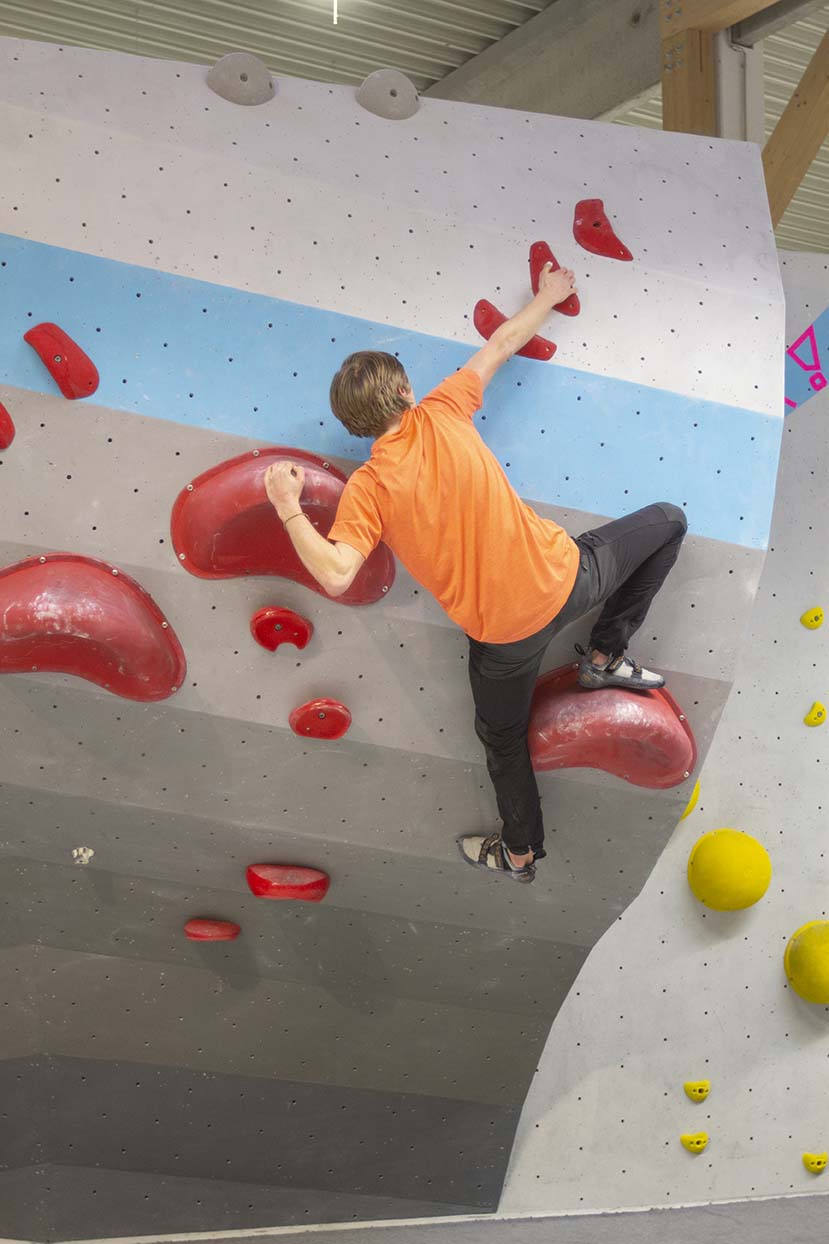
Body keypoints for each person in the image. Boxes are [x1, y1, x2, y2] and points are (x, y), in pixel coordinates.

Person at [264, 263, 688, 885]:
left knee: (503, 743)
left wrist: (286, 507)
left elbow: (334, 573)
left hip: (507, 640)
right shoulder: (442, 409)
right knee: (669, 521)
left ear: (355, 427)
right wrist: (548, 294)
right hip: (569, 579)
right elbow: (502, 344)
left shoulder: (369, 488)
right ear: (405, 391)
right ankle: (604, 653)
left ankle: (520, 853)